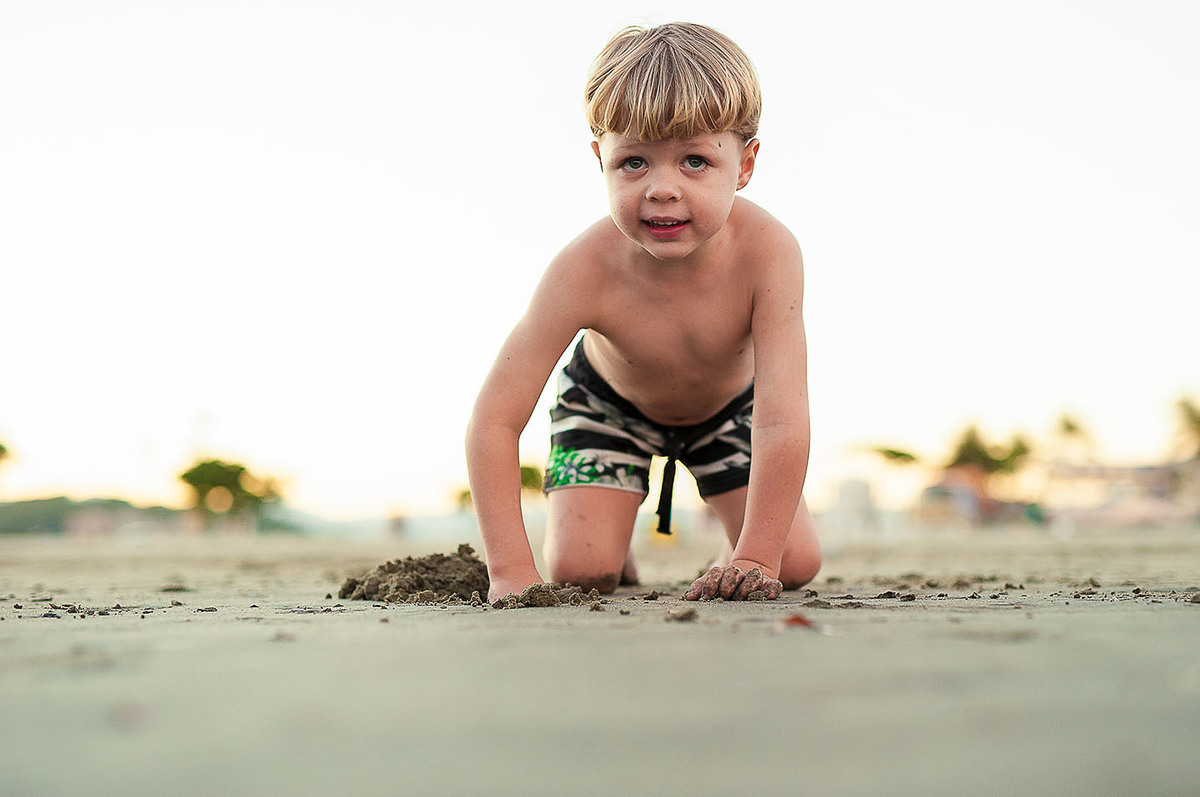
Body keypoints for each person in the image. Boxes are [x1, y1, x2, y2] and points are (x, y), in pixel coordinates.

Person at [465, 22, 821, 603]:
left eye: (695, 161)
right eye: (633, 162)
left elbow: (782, 417)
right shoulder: (582, 269)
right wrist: (509, 571)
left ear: (746, 163)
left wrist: (755, 556)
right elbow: (495, 421)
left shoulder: (770, 253)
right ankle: (607, 527)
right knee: (581, 572)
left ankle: (727, 553)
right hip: (608, 407)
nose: (661, 188)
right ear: (599, 157)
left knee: (796, 560)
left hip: (729, 411)